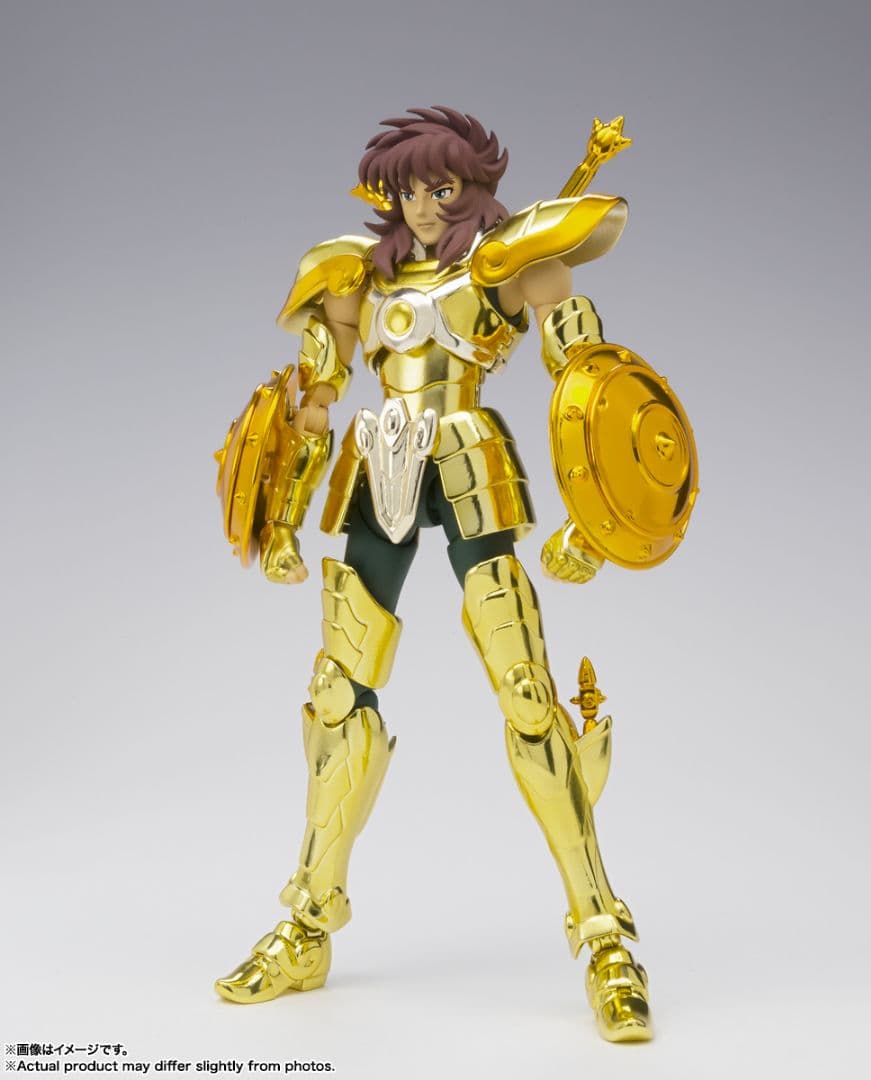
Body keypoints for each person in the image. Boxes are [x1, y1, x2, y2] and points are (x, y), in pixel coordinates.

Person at [214, 106, 654, 1043]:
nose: (421, 206)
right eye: (407, 190)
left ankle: (603, 935)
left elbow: (589, 379)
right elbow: (313, 403)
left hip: (468, 462)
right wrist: (283, 519)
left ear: (473, 189)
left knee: (527, 691)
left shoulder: (507, 264)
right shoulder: (353, 277)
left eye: (441, 188)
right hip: (377, 465)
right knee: (338, 695)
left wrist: (594, 523)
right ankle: (307, 923)